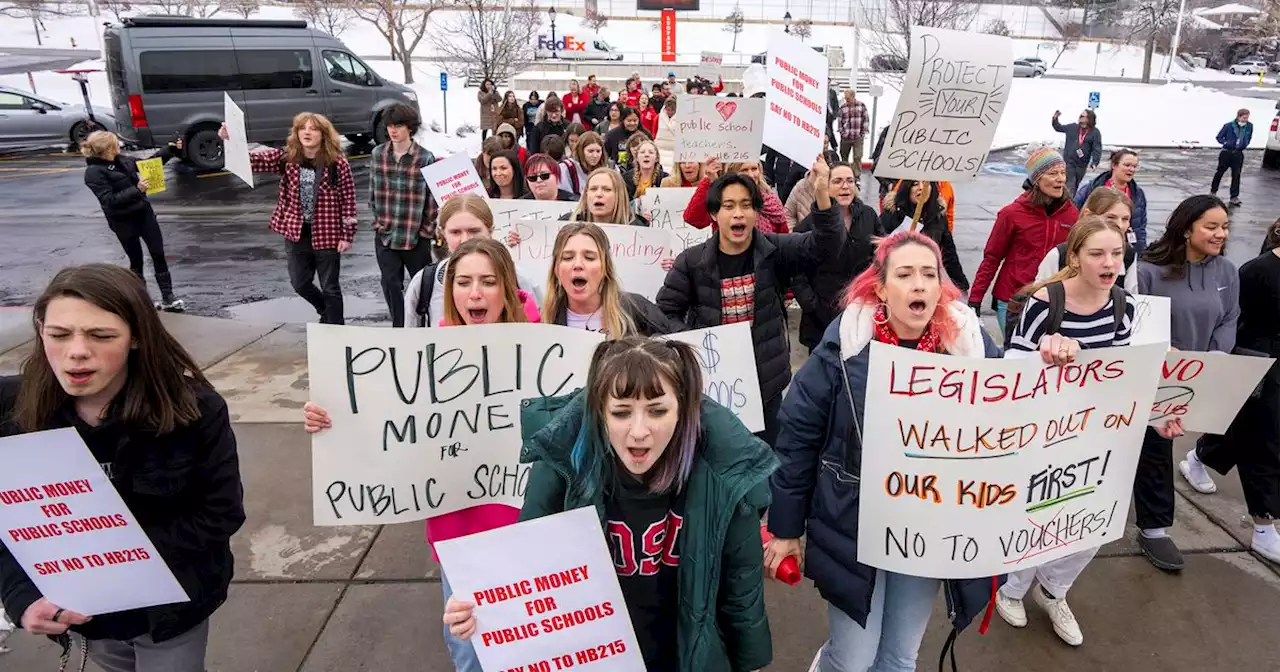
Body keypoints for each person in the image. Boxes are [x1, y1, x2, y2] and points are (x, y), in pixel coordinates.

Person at [444, 337, 776, 672]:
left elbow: (740, 586)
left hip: (685, 654)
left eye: (658, 411)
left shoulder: (725, 474)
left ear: (684, 409)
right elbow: (523, 571)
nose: (638, 431)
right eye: (620, 413)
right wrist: (479, 611)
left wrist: (751, 662)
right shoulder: (561, 468)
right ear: (599, 412)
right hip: (593, 656)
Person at [767, 231, 1000, 672]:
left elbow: (1020, 410)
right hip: (854, 525)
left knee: (898, 657)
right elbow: (797, 436)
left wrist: (1052, 357)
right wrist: (785, 527)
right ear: (880, 288)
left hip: (926, 527)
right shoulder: (845, 346)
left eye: (929, 275)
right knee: (852, 658)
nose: (918, 285)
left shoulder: (971, 348)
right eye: (906, 274)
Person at [0, 264, 244, 672]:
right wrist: (19, 594)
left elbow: (221, 513)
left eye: (101, 335)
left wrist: (110, 561)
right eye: (59, 335)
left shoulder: (194, 411)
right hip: (87, 618)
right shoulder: (8, 409)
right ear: (40, 329)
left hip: (169, 612)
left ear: (135, 338)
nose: (77, 351)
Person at [307, 238, 535, 672]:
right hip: (459, 535)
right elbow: (383, 419)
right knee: (469, 651)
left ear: (507, 289)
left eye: (488, 282)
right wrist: (330, 416)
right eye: (464, 282)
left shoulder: (546, 348)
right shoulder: (426, 357)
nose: (475, 293)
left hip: (528, 529)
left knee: (533, 648)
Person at [999, 217, 1185, 646]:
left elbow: (1122, 379)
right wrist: (1044, 356)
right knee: (1040, 517)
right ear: (1075, 258)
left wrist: (1158, 410)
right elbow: (1011, 379)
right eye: (1098, 253)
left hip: (1101, 435)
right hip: (1045, 435)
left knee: (1092, 527)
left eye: (1117, 253)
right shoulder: (1046, 303)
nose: (1110, 262)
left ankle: (1053, 591)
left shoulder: (1124, 305)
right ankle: (1011, 590)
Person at [657, 161, 844, 446]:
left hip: (765, 385)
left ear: (756, 212)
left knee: (762, 462)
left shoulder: (775, 250)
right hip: (711, 386)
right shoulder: (692, 261)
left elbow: (827, 246)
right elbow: (666, 312)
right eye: (729, 205)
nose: (738, 213)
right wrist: (695, 348)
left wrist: (822, 194)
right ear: (714, 214)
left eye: (746, 205)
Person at [1134, 195, 1237, 572]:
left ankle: (1154, 528)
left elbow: (1229, 318)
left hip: (1199, 372)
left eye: (1224, 227)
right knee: (1147, 446)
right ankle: (1149, 525)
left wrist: (1216, 356)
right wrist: (1165, 352)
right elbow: (1136, 321)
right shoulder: (1148, 271)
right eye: (1211, 226)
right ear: (1186, 227)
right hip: (1153, 372)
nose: (1220, 234)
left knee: (1161, 445)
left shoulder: (1226, 271)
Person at [1180, 217, 1280, 564]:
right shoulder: (1258, 271)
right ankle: (1264, 527)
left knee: (1244, 430)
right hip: (1259, 365)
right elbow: (1234, 318)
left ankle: (1198, 457)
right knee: (1266, 443)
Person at [219, 113, 356, 325]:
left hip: (328, 233)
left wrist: (347, 235)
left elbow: (348, 201)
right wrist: (230, 140)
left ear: (324, 134)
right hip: (296, 232)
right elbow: (252, 161)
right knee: (300, 283)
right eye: (303, 128)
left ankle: (337, 329)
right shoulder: (288, 158)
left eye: (313, 129)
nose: (307, 132)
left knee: (330, 287)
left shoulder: (337, 163)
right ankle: (324, 311)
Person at [968, 146, 1077, 338]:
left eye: (1062, 172)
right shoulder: (1011, 214)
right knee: (1015, 354)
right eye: (1053, 173)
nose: (1060, 178)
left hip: (1053, 298)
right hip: (1012, 298)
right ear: (1037, 179)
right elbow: (992, 258)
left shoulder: (1072, 214)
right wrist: (975, 299)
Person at [80, 131, 184, 312]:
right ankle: (141, 301)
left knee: (158, 253)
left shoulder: (123, 160)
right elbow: (109, 200)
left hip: (143, 214)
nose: (119, 145)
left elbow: (149, 164)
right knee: (136, 260)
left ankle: (168, 297)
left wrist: (170, 149)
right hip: (123, 221)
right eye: (116, 143)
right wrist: (137, 190)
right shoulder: (93, 173)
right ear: (109, 148)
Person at [404, 195, 541, 328]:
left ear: (490, 230)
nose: (465, 240)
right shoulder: (424, 283)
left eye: (474, 231)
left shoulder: (518, 278)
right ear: (443, 233)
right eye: (455, 232)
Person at [792, 162, 882, 354]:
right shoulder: (813, 222)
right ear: (827, 187)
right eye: (838, 181)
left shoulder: (869, 216)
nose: (845, 186)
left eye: (850, 181)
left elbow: (882, 257)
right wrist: (810, 303)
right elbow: (796, 266)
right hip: (821, 315)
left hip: (860, 309)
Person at [368, 103, 439, 328]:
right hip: (386, 234)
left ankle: (422, 325)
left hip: (415, 236)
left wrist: (426, 230)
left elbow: (431, 199)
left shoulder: (425, 157)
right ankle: (399, 329)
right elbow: (373, 193)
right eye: (389, 126)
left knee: (422, 285)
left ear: (409, 127)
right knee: (390, 284)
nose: (393, 130)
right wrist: (379, 222)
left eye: (398, 125)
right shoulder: (378, 154)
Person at [541, 221, 678, 336]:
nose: (578, 265)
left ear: (605, 267)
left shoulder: (638, 310)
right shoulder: (542, 322)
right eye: (567, 258)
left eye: (589, 257)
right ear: (556, 269)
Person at [1040, 187, 1139, 293]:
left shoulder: (1128, 255)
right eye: (1110, 217)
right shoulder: (1058, 255)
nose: (1119, 225)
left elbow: (1132, 295)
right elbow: (1039, 295)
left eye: (1125, 219)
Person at [879, 180, 968, 291]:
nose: (921, 188)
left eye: (926, 184)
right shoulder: (891, 215)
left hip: (926, 285)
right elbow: (876, 256)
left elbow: (949, 255)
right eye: (915, 184)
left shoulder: (938, 216)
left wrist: (961, 285)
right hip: (897, 284)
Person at [684, 157, 789, 234]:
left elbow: (783, 236)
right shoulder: (721, 197)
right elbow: (694, 219)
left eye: (754, 169)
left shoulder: (771, 200)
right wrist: (709, 181)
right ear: (732, 173)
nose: (751, 175)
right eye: (744, 170)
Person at [1074, 149, 1148, 250]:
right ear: (1114, 165)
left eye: (1134, 166)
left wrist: (1139, 251)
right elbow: (1074, 216)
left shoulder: (1138, 194)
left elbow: (1140, 227)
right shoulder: (1091, 189)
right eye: (1127, 165)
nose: (1131, 169)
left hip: (1124, 248)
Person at [562, 168, 649, 227]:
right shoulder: (566, 223)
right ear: (586, 194)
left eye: (606, 189)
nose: (599, 194)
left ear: (619, 196)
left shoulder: (639, 229)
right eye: (593, 189)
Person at [1051, 109, 1101, 197]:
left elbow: (1097, 148)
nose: (1080, 117)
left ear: (1089, 118)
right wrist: (1055, 118)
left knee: (1075, 186)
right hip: (1069, 162)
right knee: (1070, 185)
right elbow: (1058, 127)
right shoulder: (1072, 127)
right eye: (1080, 116)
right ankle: (1066, 204)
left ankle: (1067, 202)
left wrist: (1095, 162)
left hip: (1082, 164)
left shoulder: (1095, 132)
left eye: (1082, 116)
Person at [1211, 108, 1252, 207]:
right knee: (1220, 172)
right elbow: (1219, 137)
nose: (1245, 120)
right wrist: (1226, 143)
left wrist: (1245, 144)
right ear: (1238, 116)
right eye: (1243, 117)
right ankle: (1213, 191)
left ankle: (1234, 196)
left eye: (1247, 117)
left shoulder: (1249, 126)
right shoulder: (1229, 126)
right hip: (1226, 153)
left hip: (1238, 153)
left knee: (1236, 175)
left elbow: (1249, 136)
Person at [565, 131, 611, 196]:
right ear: (581, 151)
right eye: (590, 151)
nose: (595, 155)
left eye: (598, 151)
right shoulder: (568, 168)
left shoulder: (609, 168)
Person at [837, 89, 869, 175]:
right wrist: (842, 132)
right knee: (844, 156)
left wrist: (863, 132)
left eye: (848, 98)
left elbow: (865, 119)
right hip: (846, 136)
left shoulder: (861, 106)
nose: (846, 100)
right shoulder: (843, 107)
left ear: (853, 96)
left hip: (858, 136)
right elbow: (840, 121)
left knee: (857, 157)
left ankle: (857, 175)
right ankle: (845, 173)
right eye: (845, 98)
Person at [655, 97, 678, 168]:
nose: (670, 112)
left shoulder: (682, 119)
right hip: (660, 149)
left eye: (673, 110)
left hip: (674, 150)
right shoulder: (658, 117)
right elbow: (654, 132)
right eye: (668, 110)